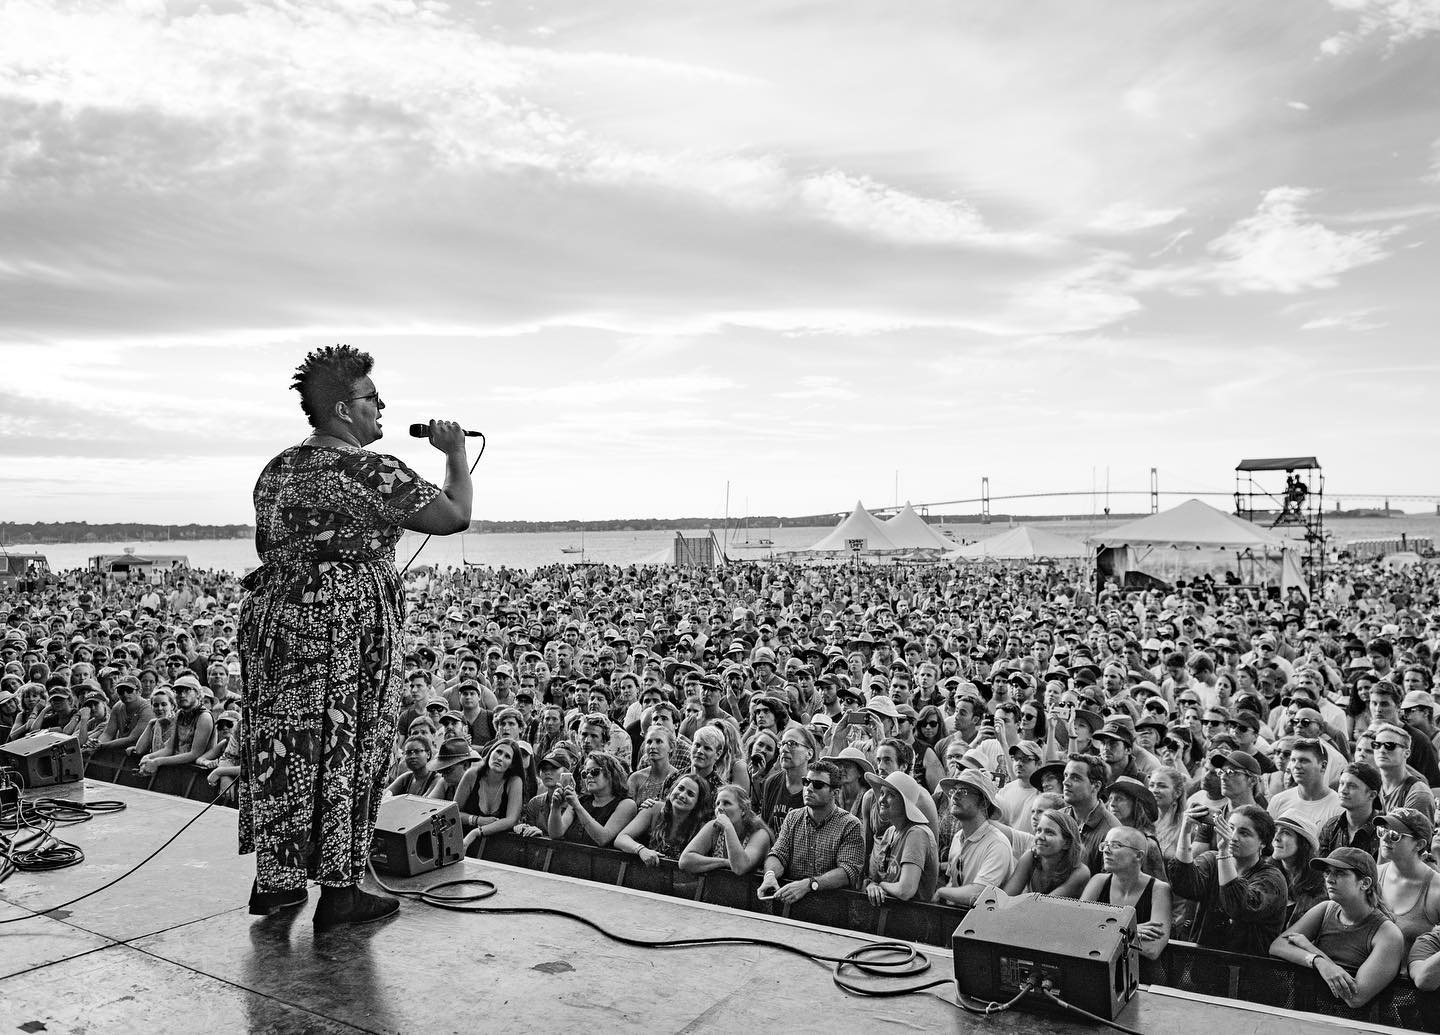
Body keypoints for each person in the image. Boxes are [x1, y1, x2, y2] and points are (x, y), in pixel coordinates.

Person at [237, 346, 473, 926]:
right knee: (349, 748)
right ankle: (342, 892)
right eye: (372, 398)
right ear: (344, 409)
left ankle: (277, 882)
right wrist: (456, 453)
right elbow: (454, 515)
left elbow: (269, 547)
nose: (382, 406)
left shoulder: (278, 469)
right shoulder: (375, 471)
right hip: (346, 625)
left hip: (275, 623)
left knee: (284, 750)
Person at [1270, 848, 1403, 1010]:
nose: (1330, 879)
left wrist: (1310, 948)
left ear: (1365, 883)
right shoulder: (1326, 909)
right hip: (1306, 1011)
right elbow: (1277, 946)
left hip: (1354, 1024)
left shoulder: (1388, 934)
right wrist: (1318, 961)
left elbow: (1355, 997)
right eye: (1327, 872)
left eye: (1340, 873)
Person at [1170, 803, 1287, 955]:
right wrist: (1185, 833)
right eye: (1230, 828)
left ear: (1263, 843)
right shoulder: (1212, 860)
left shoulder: (1272, 879)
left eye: (1244, 833)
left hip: (1249, 970)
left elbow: (1238, 907)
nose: (1233, 837)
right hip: (1203, 964)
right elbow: (1184, 885)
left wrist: (1224, 851)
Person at [759, 759, 865, 903]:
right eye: (806, 782)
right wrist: (770, 875)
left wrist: (809, 885)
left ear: (835, 792)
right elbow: (778, 853)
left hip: (831, 910)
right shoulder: (793, 817)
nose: (808, 788)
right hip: (791, 906)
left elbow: (848, 871)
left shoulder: (850, 824)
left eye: (818, 785)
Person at [1082, 826, 1173, 960]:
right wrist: (1127, 930)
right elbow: (1079, 929)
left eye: (1116, 845)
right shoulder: (1098, 882)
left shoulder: (1159, 889)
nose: (1106, 850)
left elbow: (1152, 948)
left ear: (1138, 855)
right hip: (1099, 969)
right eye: (1105, 845)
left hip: (1140, 976)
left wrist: (1100, 930)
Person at [935, 770, 1013, 908]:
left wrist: (941, 892)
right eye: (954, 791)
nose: (955, 796)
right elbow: (954, 884)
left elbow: (978, 894)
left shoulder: (997, 844)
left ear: (984, 803)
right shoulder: (958, 837)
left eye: (963, 791)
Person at [861, 770, 940, 905]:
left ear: (906, 803)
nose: (882, 800)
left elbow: (905, 890)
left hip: (914, 919)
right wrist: (872, 886)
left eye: (891, 795)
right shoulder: (889, 832)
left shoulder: (917, 833)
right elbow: (874, 880)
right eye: (882, 793)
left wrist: (881, 885)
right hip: (890, 916)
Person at [1376, 808, 1440, 954]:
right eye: (1382, 830)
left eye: (1395, 835)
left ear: (1419, 844)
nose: (1385, 838)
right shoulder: (1373, 876)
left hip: (1410, 974)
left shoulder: (1435, 889)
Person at [615, 773, 713, 866]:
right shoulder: (654, 808)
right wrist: (641, 850)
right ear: (672, 790)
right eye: (680, 788)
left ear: (698, 802)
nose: (682, 795)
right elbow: (621, 838)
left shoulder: (702, 827)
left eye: (690, 794)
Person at [547, 749, 636, 848]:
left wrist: (577, 807)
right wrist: (555, 807)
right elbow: (556, 834)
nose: (588, 776)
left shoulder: (627, 804)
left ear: (611, 774)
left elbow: (603, 839)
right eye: (585, 773)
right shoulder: (581, 800)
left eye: (595, 771)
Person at [679, 784, 773, 876]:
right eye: (717, 803)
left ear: (743, 810)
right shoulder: (714, 827)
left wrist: (728, 827)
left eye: (726, 803)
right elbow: (685, 861)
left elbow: (740, 867)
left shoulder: (760, 834)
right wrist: (724, 862)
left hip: (750, 890)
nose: (719, 808)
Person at [453, 737, 525, 850]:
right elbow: (453, 812)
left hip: (498, 846)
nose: (500, 758)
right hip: (462, 842)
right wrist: (476, 820)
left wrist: (476, 832)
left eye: (507, 756)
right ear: (491, 753)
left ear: (511, 764)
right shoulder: (472, 775)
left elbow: (511, 820)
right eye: (498, 752)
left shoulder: (514, 781)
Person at [1002, 808, 1090, 898]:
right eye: (1039, 830)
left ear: (1066, 843)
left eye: (1049, 833)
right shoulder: (1030, 857)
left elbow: (1045, 905)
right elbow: (1005, 898)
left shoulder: (1080, 872)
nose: (1040, 836)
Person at [1317, 762, 1382, 858]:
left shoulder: (1382, 831)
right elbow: (1322, 869)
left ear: (1372, 795)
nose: (1343, 790)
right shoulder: (1331, 827)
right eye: (1341, 784)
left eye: (1352, 786)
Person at [1272, 816, 1326, 925]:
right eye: (1275, 831)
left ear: (1303, 843)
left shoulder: (1320, 884)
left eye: (1286, 833)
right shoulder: (1266, 874)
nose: (1276, 838)